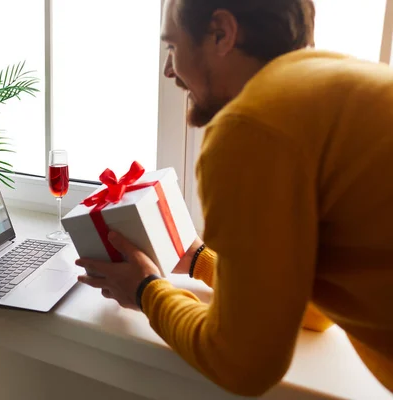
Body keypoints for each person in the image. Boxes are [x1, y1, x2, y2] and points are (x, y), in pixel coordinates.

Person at [76, 0, 393, 396]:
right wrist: (197, 259)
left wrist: (146, 291)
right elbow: (313, 307)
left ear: (221, 33)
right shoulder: (334, 86)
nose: (169, 70)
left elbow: (245, 364)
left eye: (172, 47)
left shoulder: (251, 125)